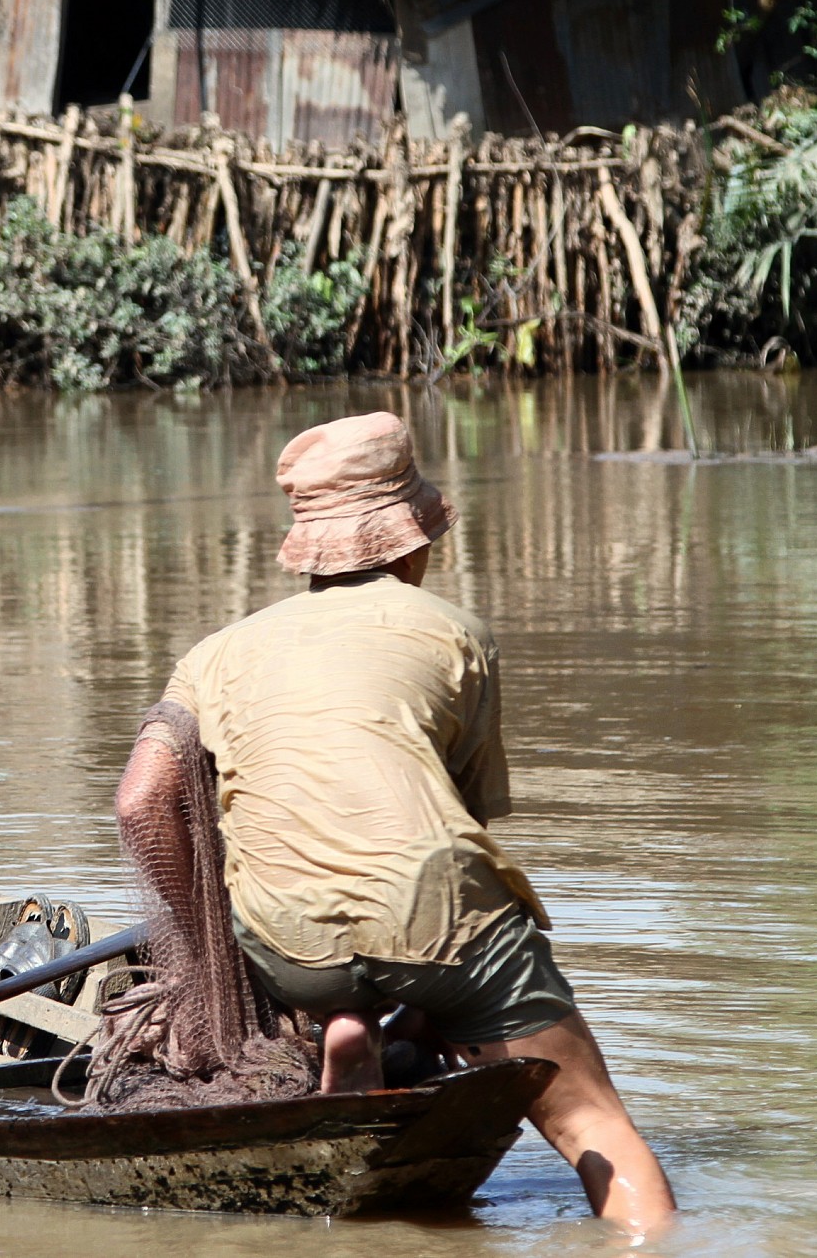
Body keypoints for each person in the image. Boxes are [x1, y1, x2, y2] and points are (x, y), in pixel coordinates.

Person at [115, 411, 676, 1230]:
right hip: (434, 923)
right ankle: (652, 1242)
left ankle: (353, 1031)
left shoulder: (214, 654)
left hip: (287, 947)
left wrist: (212, 944)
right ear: (412, 540)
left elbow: (139, 801)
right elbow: (450, 829)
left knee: (359, 959)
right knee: (595, 1124)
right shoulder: (456, 635)